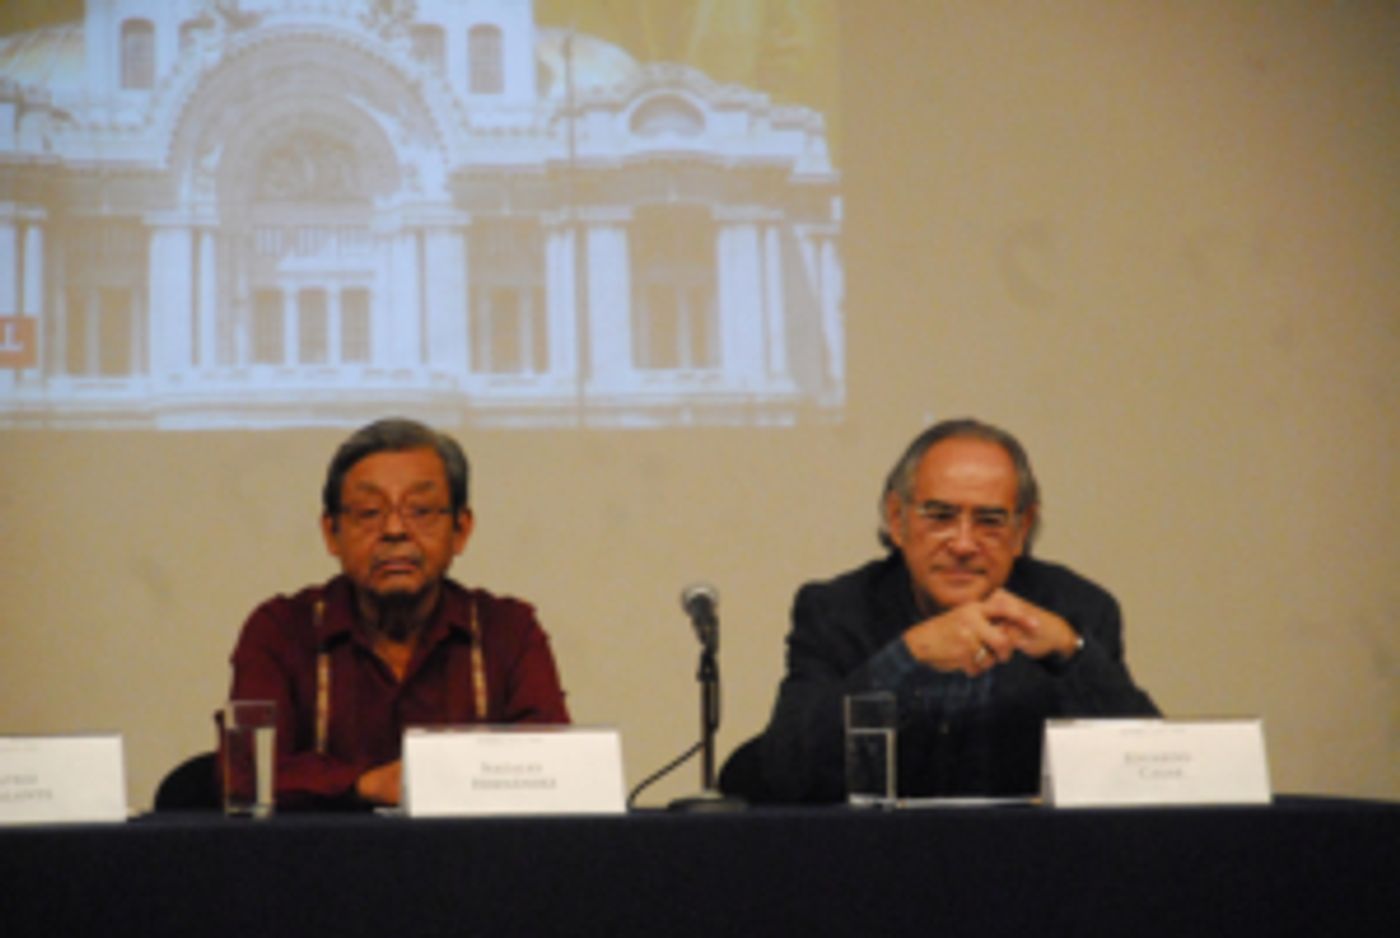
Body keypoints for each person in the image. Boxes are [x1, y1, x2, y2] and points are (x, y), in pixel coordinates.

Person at [758, 418, 1158, 801]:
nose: (964, 544)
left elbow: (1157, 771)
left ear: (1022, 528)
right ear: (897, 520)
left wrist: (1073, 653)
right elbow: (779, 772)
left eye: (990, 521)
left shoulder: (1077, 610)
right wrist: (906, 657)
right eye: (940, 517)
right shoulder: (837, 612)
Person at [224, 418, 569, 809]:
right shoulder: (282, 630)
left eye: (420, 510)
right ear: (331, 532)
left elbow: (553, 768)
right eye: (369, 512)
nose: (393, 530)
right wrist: (367, 784)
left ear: (461, 529)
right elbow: (247, 774)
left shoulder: (508, 631)